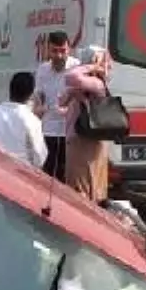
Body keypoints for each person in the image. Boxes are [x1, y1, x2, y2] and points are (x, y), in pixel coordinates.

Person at [62, 45, 116, 205]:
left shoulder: (96, 83)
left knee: (81, 187)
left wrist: (93, 66)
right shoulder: (86, 84)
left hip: (85, 142)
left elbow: (71, 76)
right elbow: (63, 102)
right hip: (80, 140)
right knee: (82, 185)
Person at [32, 31, 79, 181]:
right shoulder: (43, 70)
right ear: (48, 50)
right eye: (55, 51)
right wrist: (39, 109)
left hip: (70, 132)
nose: (59, 56)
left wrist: (70, 108)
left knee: (68, 178)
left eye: (63, 51)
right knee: (49, 176)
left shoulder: (77, 68)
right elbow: (39, 96)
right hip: (49, 130)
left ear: (69, 49)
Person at [0, 70, 48, 169]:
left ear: (10, 89)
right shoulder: (32, 121)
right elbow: (39, 158)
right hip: (21, 175)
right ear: (31, 94)